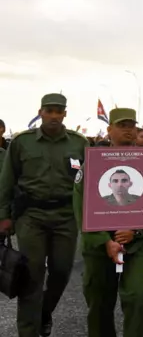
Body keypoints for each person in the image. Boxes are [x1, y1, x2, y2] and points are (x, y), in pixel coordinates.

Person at [0, 93, 88, 337]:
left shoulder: (79, 144)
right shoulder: (22, 143)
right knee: (32, 275)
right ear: (40, 112)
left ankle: (44, 312)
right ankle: (28, 331)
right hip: (31, 215)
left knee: (61, 271)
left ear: (65, 114)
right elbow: (7, 181)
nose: (53, 115)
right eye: (49, 110)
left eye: (58, 111)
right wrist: (3, 216)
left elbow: (91, 182)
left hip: (66, 215)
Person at [76, 108, 143, 337]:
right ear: (109, 130)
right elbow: (80, 206)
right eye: (122, 125)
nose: (128, 130)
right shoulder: (93, 164)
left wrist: (136, 231)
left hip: (137, 245)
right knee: (99, 306)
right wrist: (104, 241)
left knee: (138, 297)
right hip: (99, 246)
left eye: (132, 126)